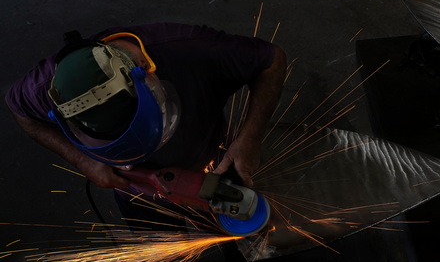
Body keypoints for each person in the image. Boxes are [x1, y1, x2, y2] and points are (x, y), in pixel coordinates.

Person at [4, 22, 286, 228]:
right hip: (136, 188)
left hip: (215, 164)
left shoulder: (190, 50)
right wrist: (82, 160)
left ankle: (244, 261)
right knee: (163, 245)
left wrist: (249, 139)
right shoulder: (44, 89)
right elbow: (20, 111)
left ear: (146, 70)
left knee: (231, 223)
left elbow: (271, 61)